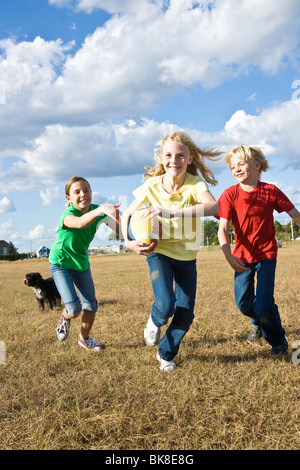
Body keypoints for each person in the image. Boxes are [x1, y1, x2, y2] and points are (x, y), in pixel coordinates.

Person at [122, 131, 221, 370]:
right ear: (161, 158)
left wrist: (171, 212)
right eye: (168, 155)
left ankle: (165, 354)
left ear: (189, 158)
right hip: (159, 252)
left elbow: (213, 206)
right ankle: (155, 320)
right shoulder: (151, 185)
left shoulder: (195, 184)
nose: (173, 160)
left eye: (180, 155)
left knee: (185, 314)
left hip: (187, 255)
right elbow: (126, 214)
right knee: (166, 305)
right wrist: (127, 241)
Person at [217, 145, 300, 357]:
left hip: (267, 254)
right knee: (244, 304)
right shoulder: (229, 195)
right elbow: (223, 229)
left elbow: (295, 216)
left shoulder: (270, 191)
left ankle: (278, 341)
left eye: (241, 164)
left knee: (263, 304)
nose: (236, 169)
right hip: (241, 257)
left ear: (257, 165)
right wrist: (228, 255)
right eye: (232, 167)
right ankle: (257, 322)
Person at [49, 176, 121, 351]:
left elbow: (120, 228)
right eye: (77, 192)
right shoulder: (68, 214)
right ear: (69, 198)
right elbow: (80, 223)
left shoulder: (97, 211)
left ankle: (84, 338)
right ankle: (65, 318)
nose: (83, 194)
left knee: (91, 306)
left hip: (81, 263)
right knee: (74, 309)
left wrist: (133, 234)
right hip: (61, 263)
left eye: (86, 190)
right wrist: (101, 210)